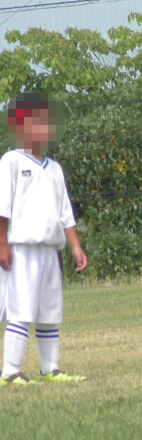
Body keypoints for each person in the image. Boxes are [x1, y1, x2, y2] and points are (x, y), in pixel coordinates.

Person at [0, 92, 88, 386]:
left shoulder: (54, 169)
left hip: (50, 251)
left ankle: (50, 368)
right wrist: (2, 244)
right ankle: (10, 371)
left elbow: (65, 213)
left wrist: (75, 246)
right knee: (21, 309)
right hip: (21, 249)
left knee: (49, 311)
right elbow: (2, 207)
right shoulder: (11, 161)